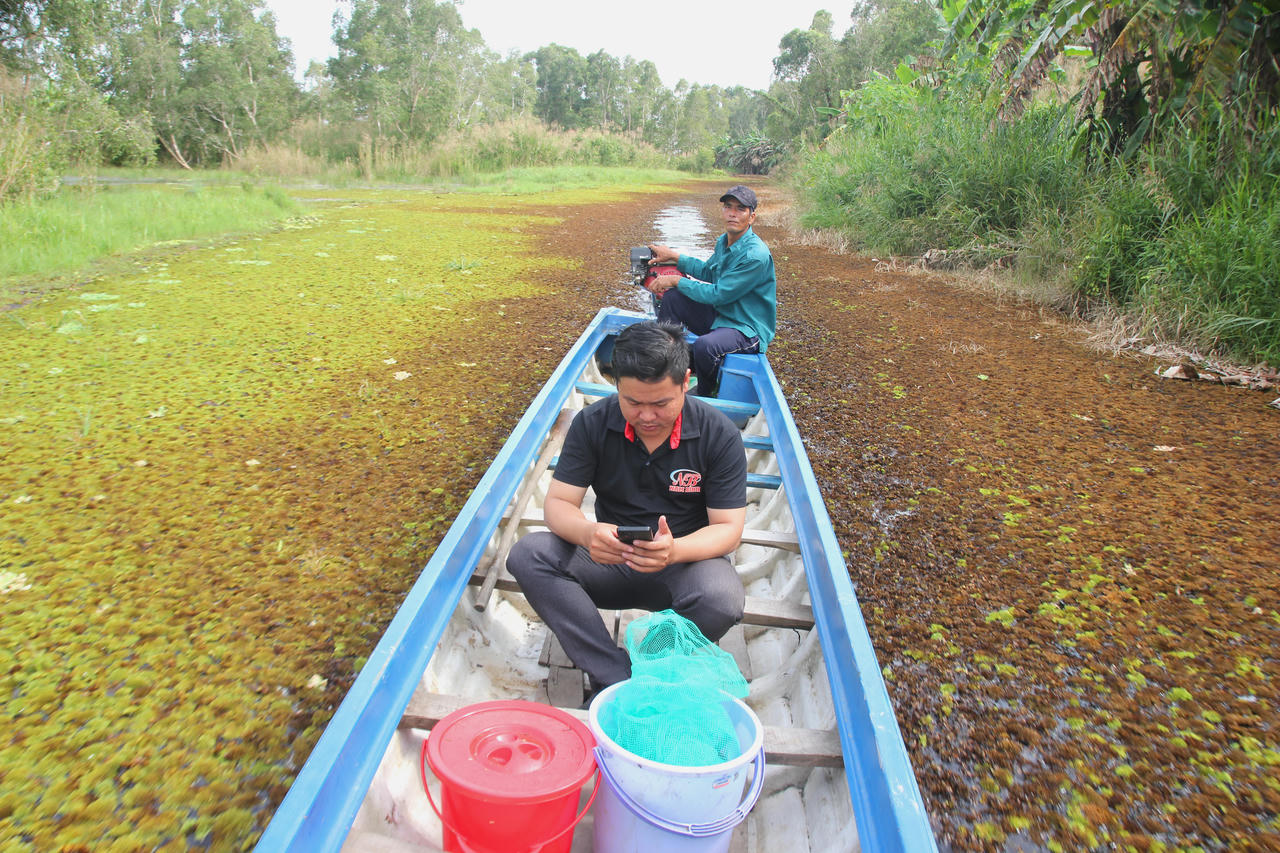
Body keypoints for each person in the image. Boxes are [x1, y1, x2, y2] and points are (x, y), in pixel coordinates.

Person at [506, 321, 747, 696]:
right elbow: (558, 504)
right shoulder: (592, 423)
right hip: (609, 559)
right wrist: (589, 533)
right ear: (616, 383)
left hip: (683, 567)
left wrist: (675, 551)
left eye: (661, 403)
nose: (646, 416)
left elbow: (728, 528)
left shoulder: (719, 434)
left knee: (721, 598)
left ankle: (649, 662)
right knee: (529, 555)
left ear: (686, 381)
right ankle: (614, 674)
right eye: (632, 402)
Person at [646, 184, 777, 396]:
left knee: (706, 346)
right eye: (728, 207)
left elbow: (719, 294)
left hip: (746, 327)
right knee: (673, 298)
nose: (733, 213)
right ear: (723, 211)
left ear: (751, 217)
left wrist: (676, 280)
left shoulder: (755, 256)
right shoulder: (724, 242)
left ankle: (706, 393)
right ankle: (667, 366)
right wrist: (673, 257)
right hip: (722, 315)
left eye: (740, 209)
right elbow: (708, 271)